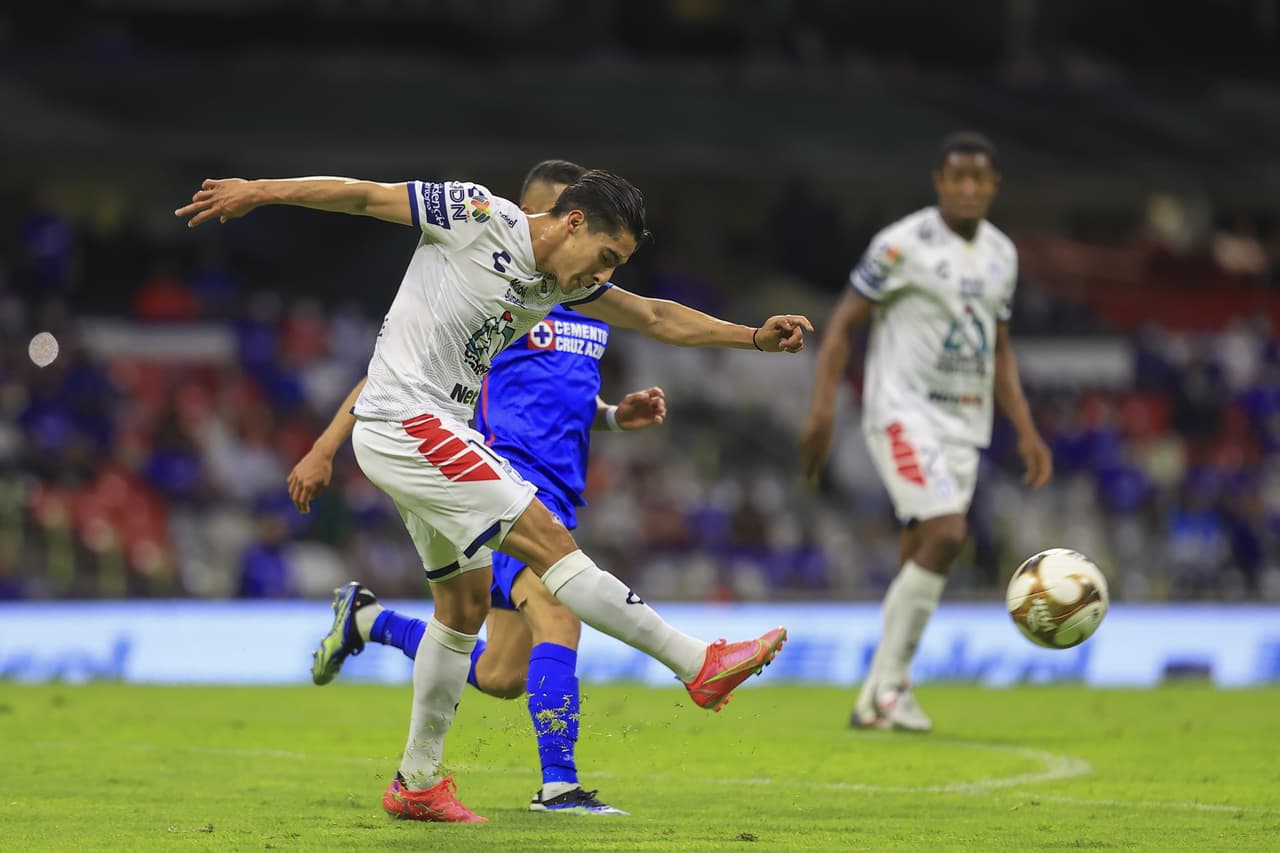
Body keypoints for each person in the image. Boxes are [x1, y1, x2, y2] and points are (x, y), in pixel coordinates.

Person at [176, 167, 811, 823]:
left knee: (462, 609)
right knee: (551, 547)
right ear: (572, 223)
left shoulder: (559, 285)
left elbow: (653, 315)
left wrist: (753, 336)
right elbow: (366, 196)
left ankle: (417, 780)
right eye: (605, 256)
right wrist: (260, 191)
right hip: (406, 421)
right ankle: (696, 662)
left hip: (425, 432)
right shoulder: (479, 215)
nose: (603, 274)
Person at [289, 159, 669, 817]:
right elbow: (397, 379)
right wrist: (326, 446)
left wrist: (611, 416)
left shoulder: (572, 299)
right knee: (561, 608)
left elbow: (566, 397)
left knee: (498, 672)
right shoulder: (485, 275)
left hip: (552, 480)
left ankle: (371, 620)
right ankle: (560, 785)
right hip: (488, 473)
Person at [799, 132, 1053, 732]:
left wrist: (1026, 428)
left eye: (979, 179)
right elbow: (840, 327)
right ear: (939, 181)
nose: (967, 188)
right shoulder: (900, 244)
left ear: (993, 187)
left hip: (965, 424)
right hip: (901, 411)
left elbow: (1000, 348)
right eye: (956, 177)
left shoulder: (1002, 255)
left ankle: (881, 695)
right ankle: (887, 689)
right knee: (946, 532)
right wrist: (821, 412)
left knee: (923, 548)